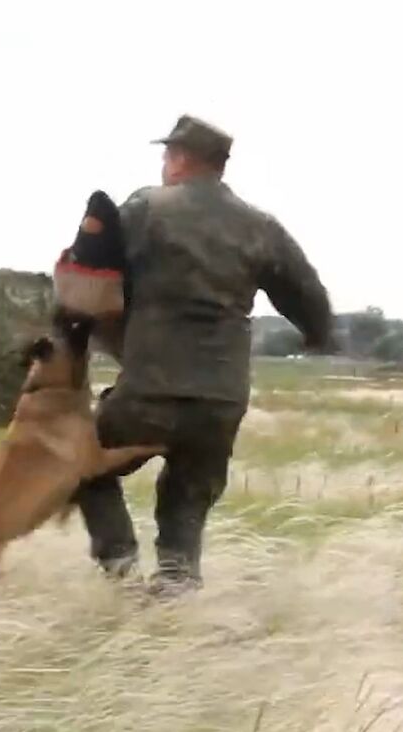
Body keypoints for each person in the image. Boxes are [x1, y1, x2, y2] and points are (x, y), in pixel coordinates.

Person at [72, 114, 336, 596]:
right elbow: (308, 294)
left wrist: (77, 329)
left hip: (152, 387)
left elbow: (88, 269)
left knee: (81, 460)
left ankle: (120, 566)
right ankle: (177, 584)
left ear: (179, 159)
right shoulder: (259, 226)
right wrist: (317, 335)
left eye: (167, 155)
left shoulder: (147, 208)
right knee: (188, 496)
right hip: (221, 397)